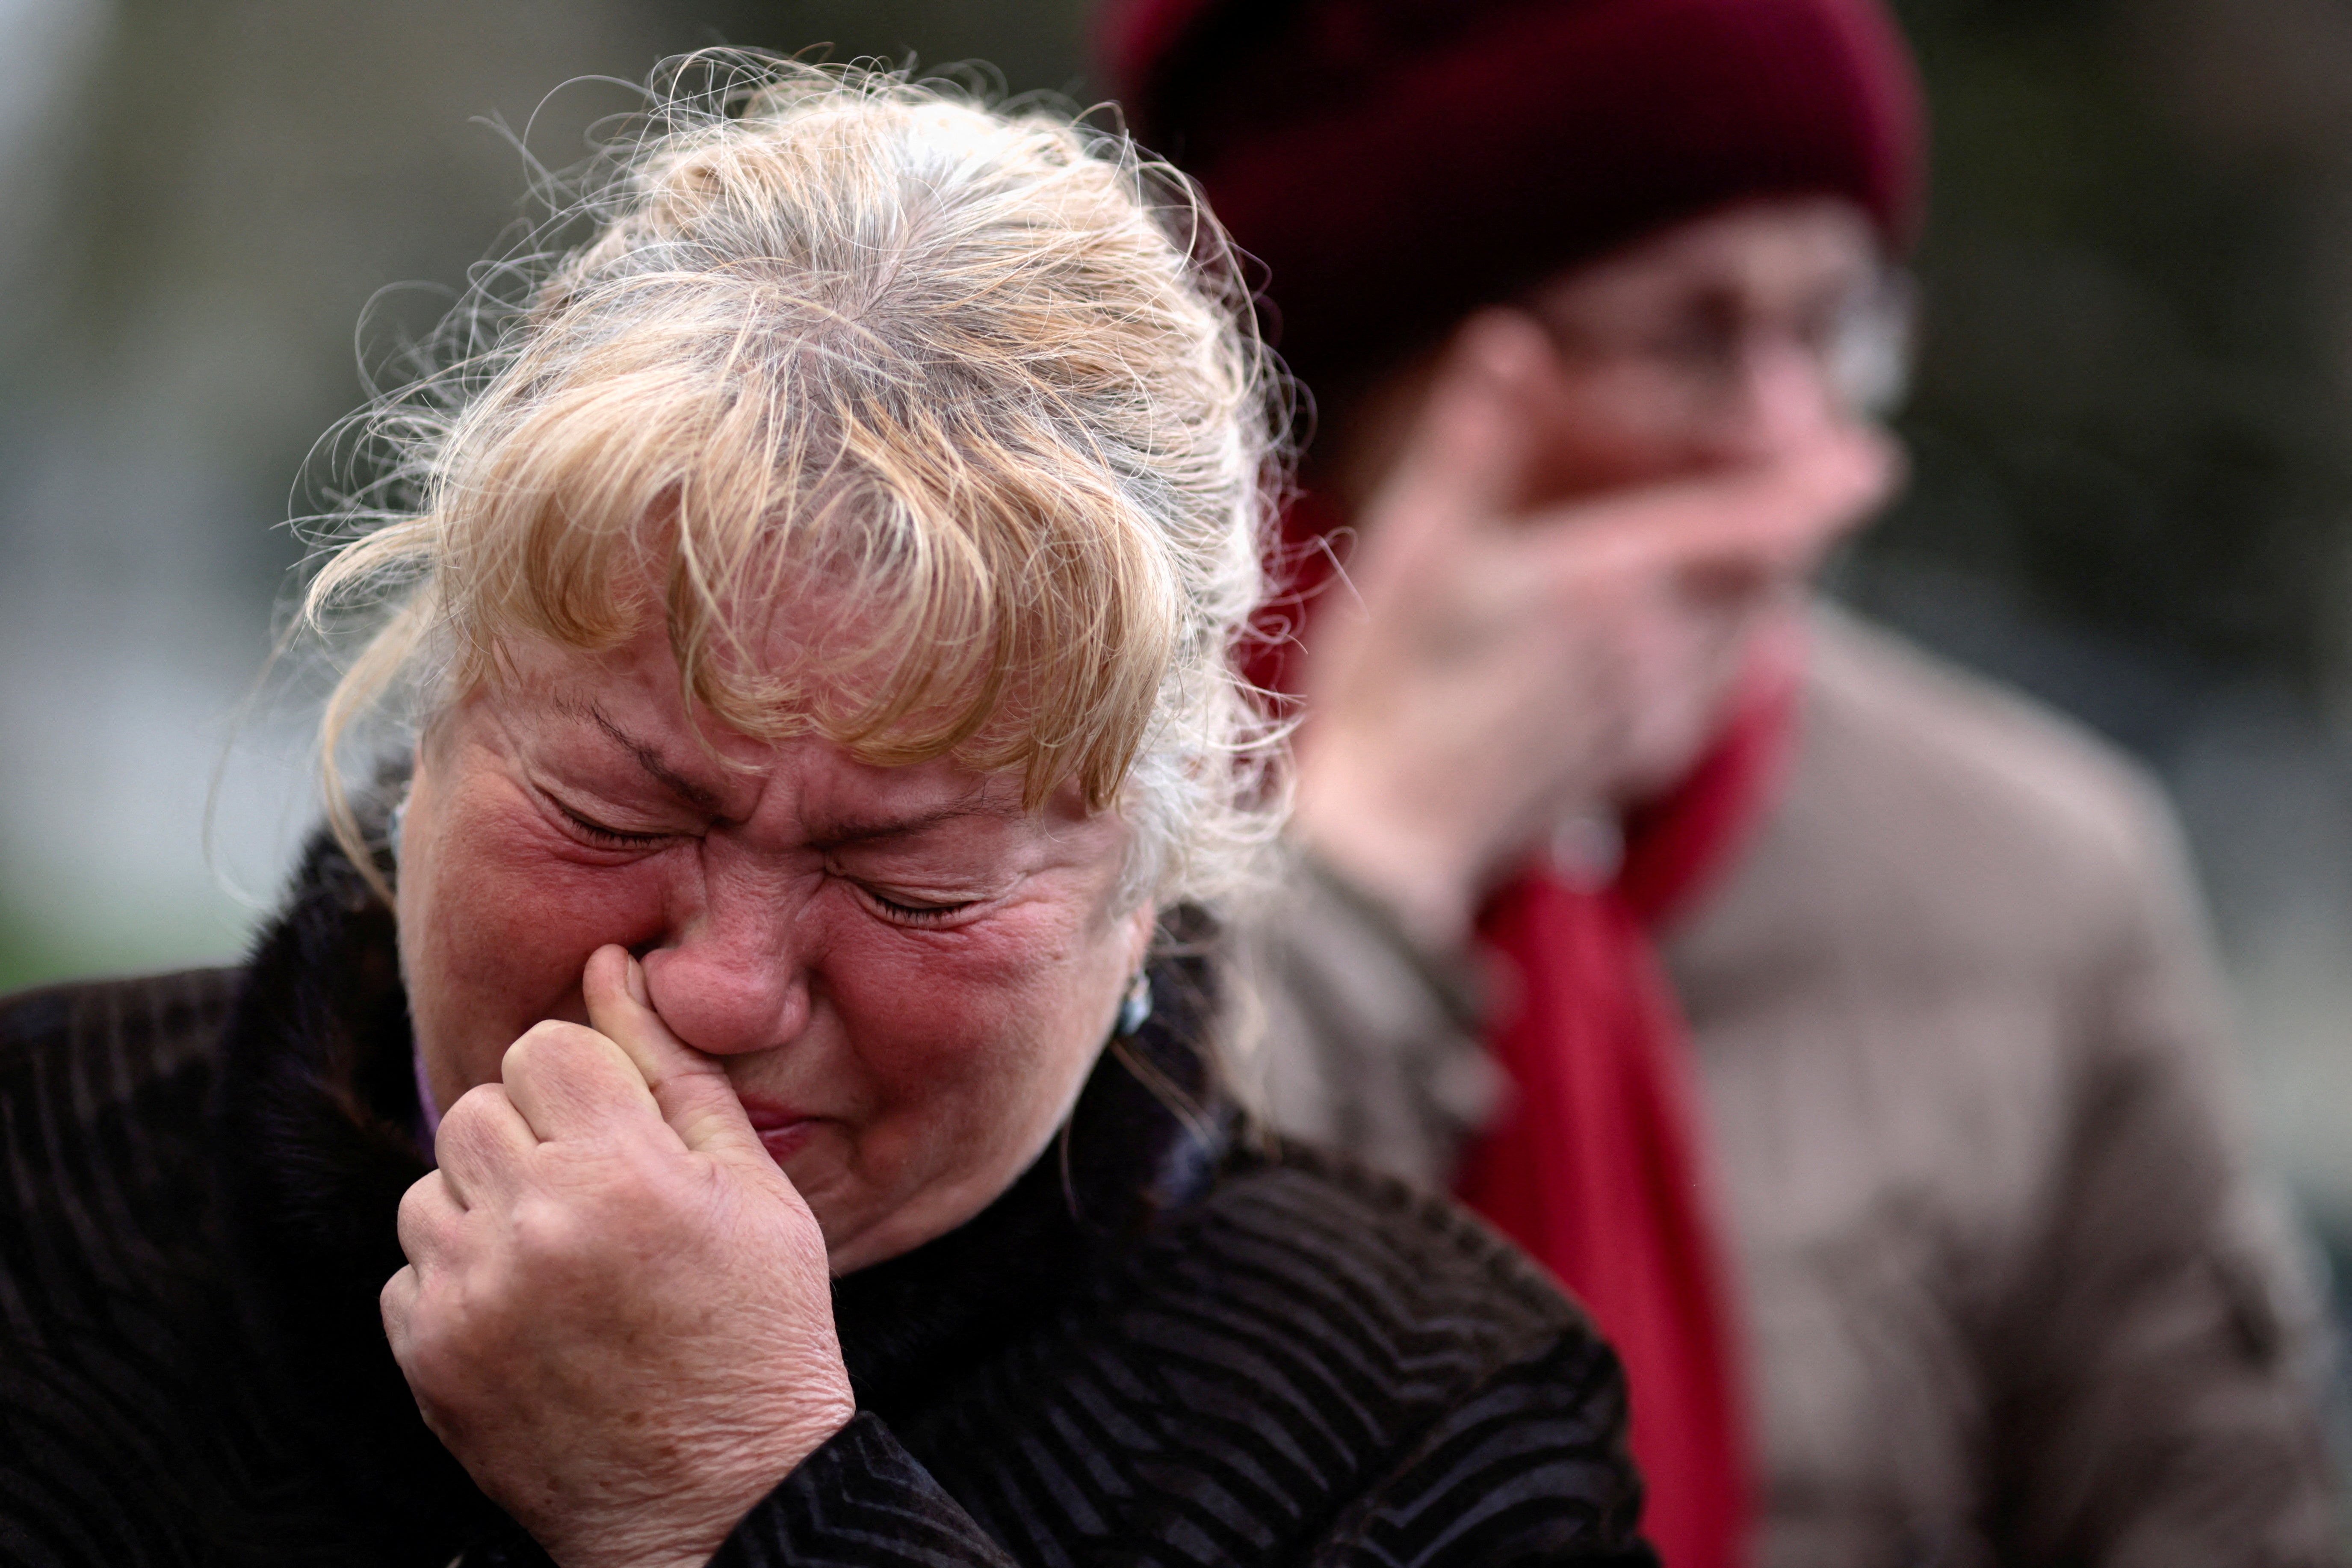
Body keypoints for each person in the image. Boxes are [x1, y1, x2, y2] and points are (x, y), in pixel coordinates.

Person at [0, 60, 1658, 1567]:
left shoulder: (1431, 1435)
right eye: (612, 810)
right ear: (439, 714)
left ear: (1145, 885)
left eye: (911, 883)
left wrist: (735, 1499)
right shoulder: (35, 1168)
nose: (720, 988)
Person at [1095, 2, 2345, 1565]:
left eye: (1834, 331)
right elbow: (1056, 1446)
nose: (1796, 458)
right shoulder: (1042, 819)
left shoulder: (2029, 876)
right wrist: (1363, 875)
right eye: (1686, 338)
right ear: (1374, 382)